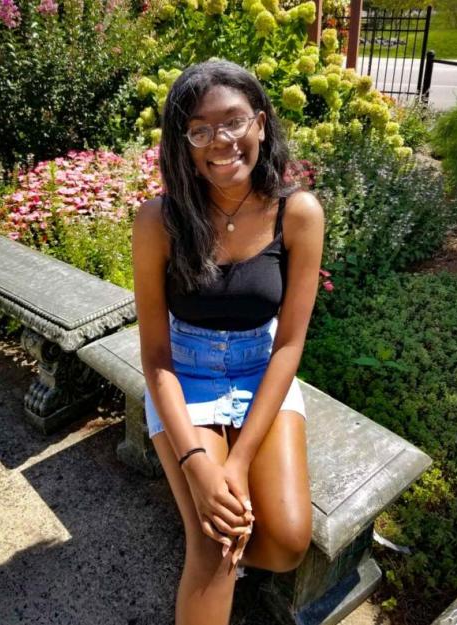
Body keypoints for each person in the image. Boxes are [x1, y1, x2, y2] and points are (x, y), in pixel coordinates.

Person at [131, 59, 324, 625]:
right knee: (214, 544)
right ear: (184, 143)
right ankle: (211, 555)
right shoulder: (158, 220)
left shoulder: (299, 213)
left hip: (261, 369)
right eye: (200, 130)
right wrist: (196, 462)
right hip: (184, 371)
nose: (221, 141)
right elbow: (154, 356)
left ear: (261, 124)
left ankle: (215, 550)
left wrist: (235, 465)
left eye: (234, 122)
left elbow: (289, 345)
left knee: (287, 542)